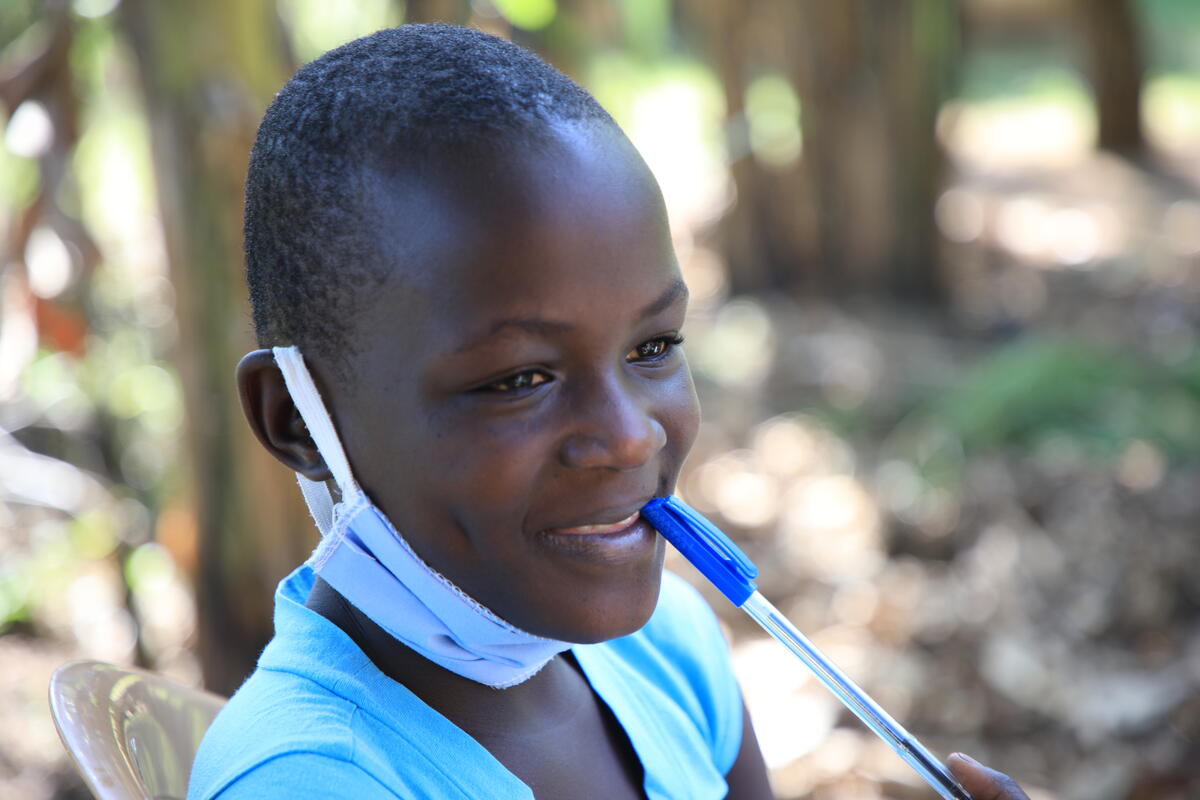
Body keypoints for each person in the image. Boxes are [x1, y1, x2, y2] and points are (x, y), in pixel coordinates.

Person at [187, 24, 1032, 800]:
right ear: (298, 420)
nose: (631, 434)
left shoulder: (666, 650)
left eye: (654, 348)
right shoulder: (308, 781)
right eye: (519, 379)